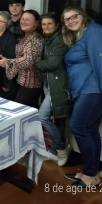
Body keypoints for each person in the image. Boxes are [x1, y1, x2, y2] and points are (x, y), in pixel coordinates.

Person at [61, 7, 102, 188]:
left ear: (83, 16)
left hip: (92, 89)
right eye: (66, 19)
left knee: (78, 127)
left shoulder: (94, 31)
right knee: (91, 130)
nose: (71, 21)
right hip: (83, 89)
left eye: (74, 16)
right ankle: (92, 171)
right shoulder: (82, 36)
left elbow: (99, 62)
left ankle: (90, 174)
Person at [34, 12, 72, 166]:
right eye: (44, 24)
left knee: (42, 116)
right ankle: (56, 149)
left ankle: (62, 147)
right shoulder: (47, 39)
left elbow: (52, 63)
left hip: (58, 84)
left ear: (57, 25)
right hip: (48, 82)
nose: (46, 27)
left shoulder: (60, 40)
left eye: (50, 24)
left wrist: (34, 63)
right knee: (56, 117)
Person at [0, 10, 43, 108]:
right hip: (21, 82)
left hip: (31, 85)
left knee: (21, 111)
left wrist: (7, 62)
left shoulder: (36, 39)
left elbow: (28, 60)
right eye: (22, 19)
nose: (23, 21)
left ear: (36, 23)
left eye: (28, 20)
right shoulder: (23, 37)